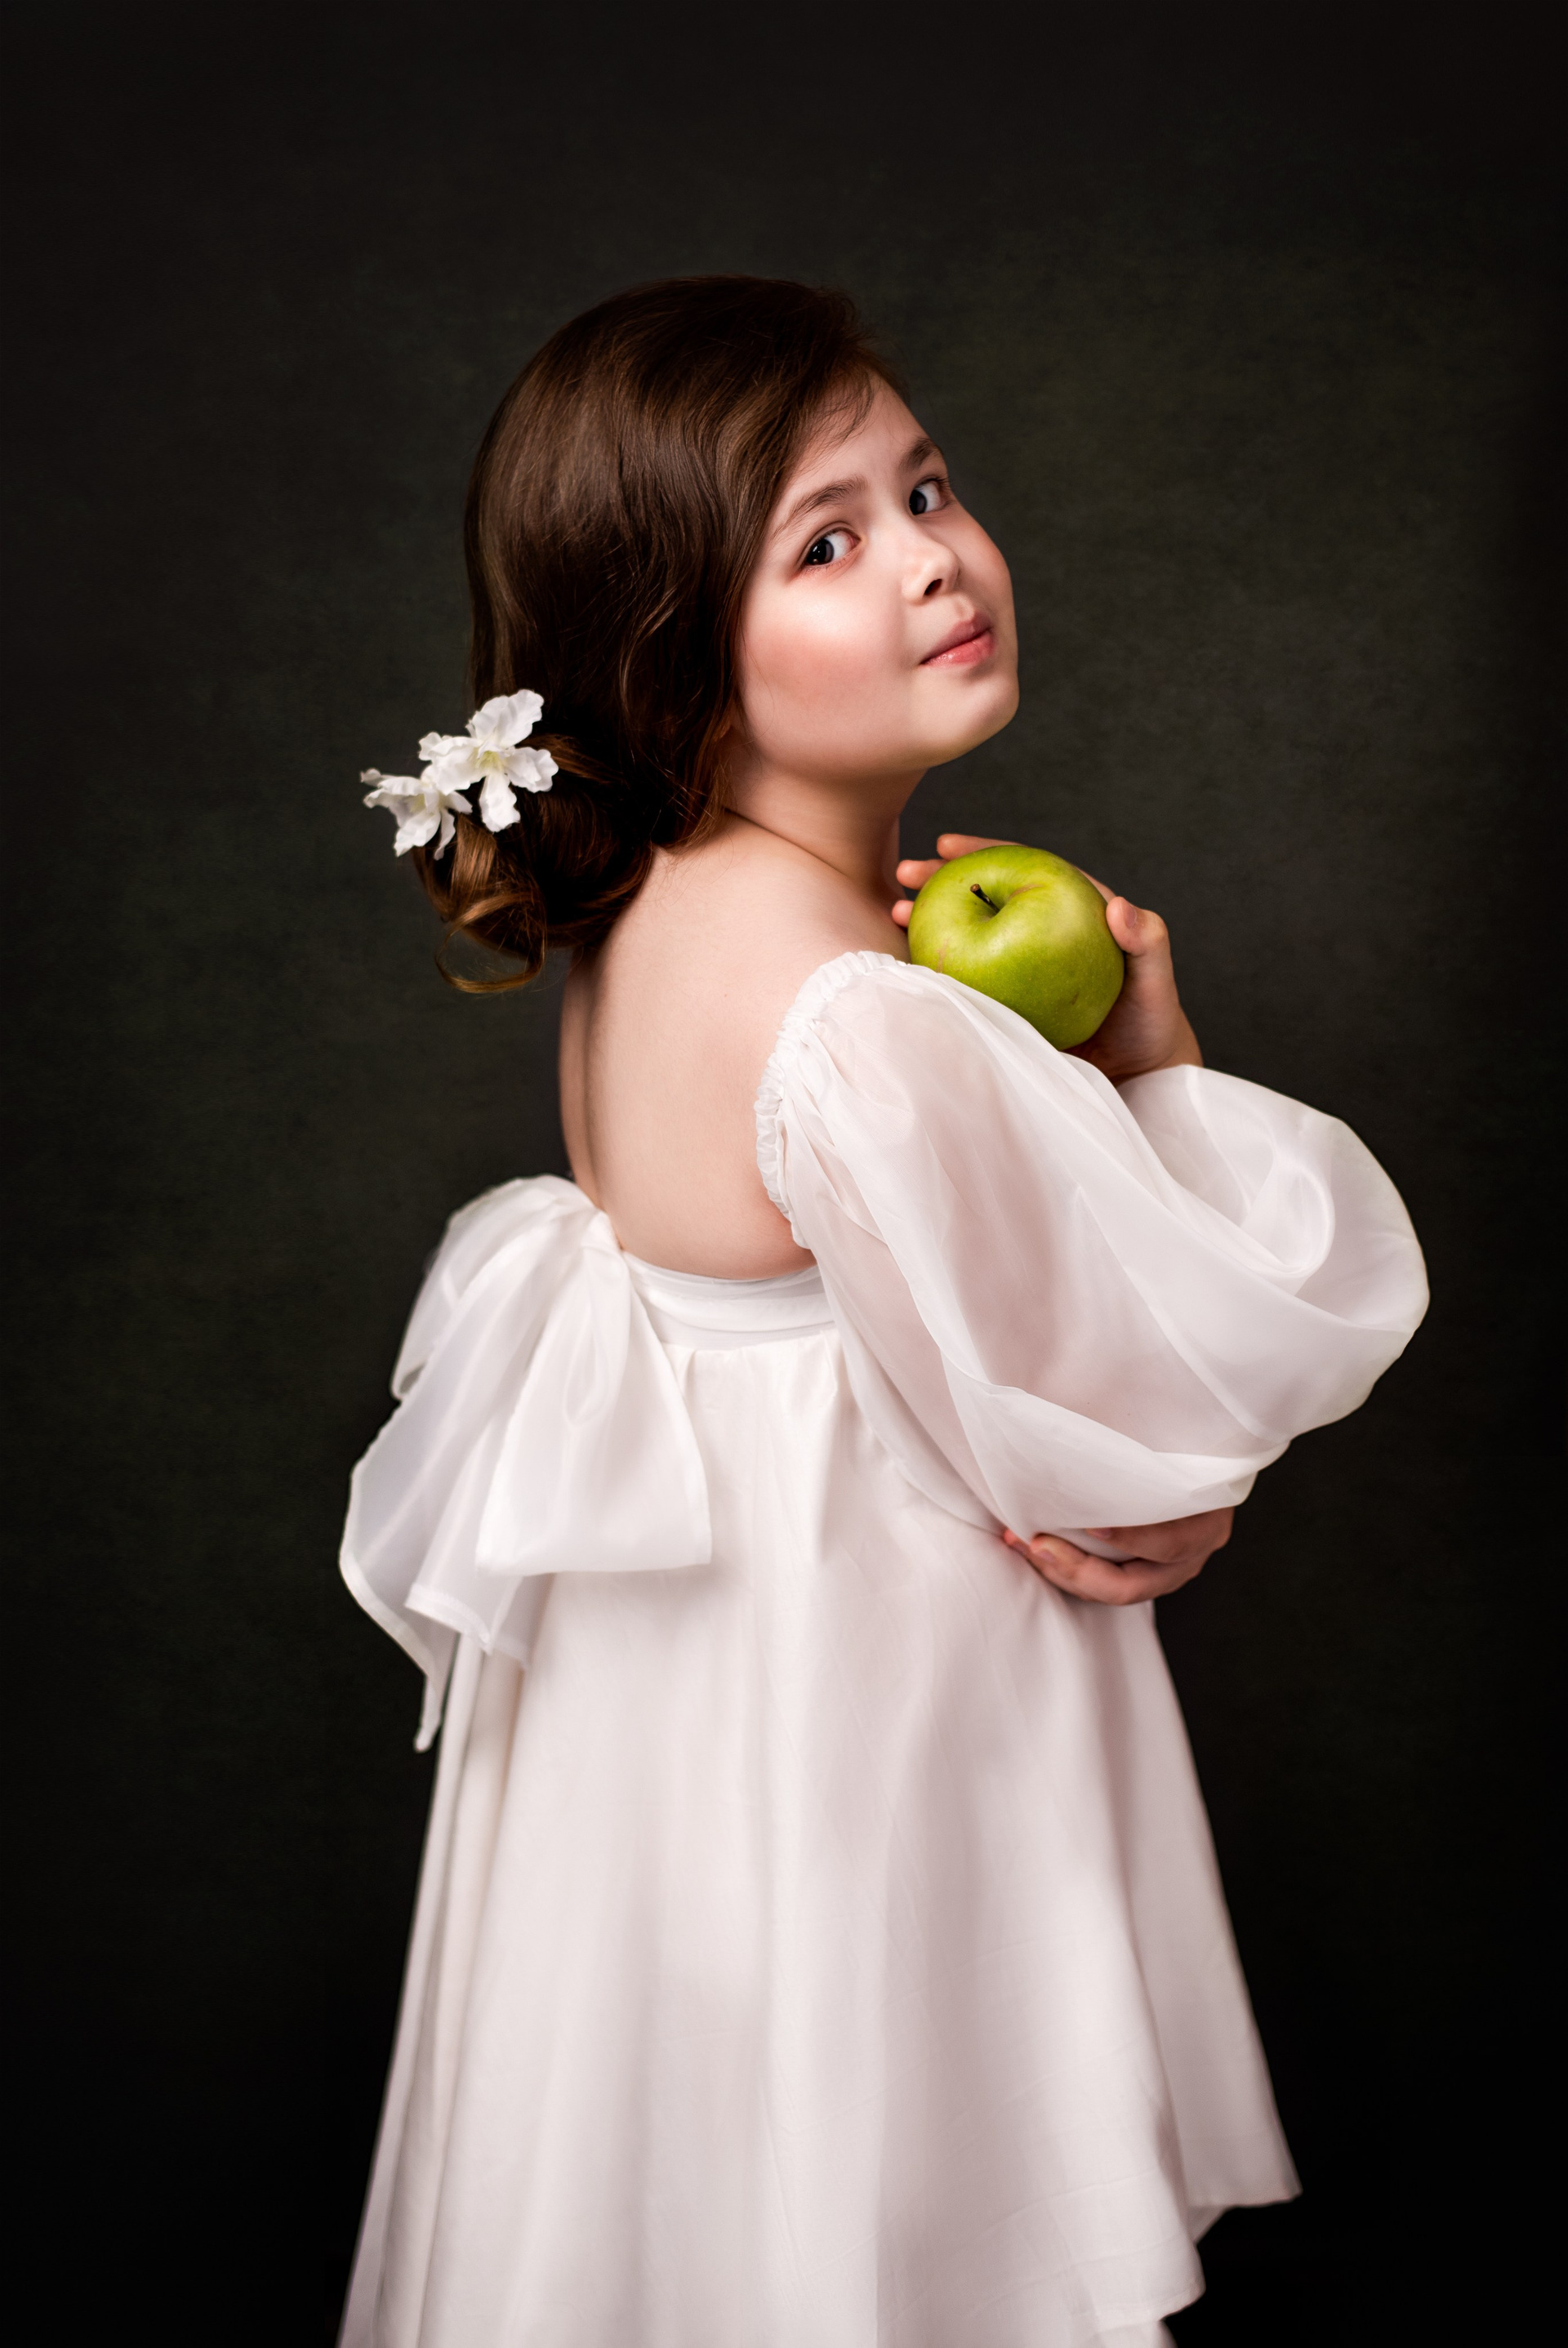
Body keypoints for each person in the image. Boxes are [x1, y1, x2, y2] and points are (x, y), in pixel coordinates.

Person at [338, 278, 1427, 2348]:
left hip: (701, 1716)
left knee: (724, 2196)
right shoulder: (853, 1010)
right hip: (869, 1721)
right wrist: (1155, 1062)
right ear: (674, 653)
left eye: (924, 489)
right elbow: (1135, 1404)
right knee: (879, 2202)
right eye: (824, 542)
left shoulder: (669, 914)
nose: (931, 557)